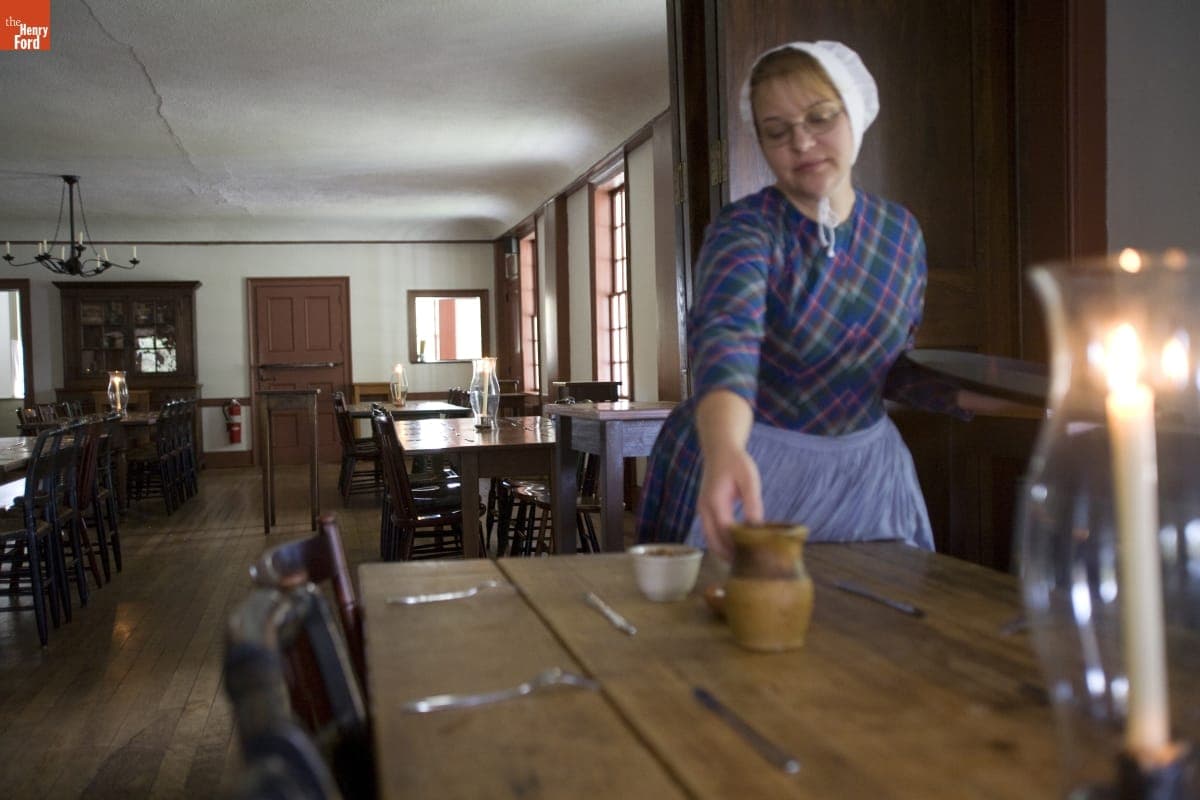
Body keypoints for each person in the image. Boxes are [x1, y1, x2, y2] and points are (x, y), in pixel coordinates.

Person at [636, 40, 967, 562]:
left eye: (821, 117)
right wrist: (724, 454)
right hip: (753, 467)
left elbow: (885, 369)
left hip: (868, 478)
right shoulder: (745, 229)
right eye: (777, 131)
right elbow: (728, 346)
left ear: (854, 113)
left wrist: (992, 393)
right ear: (763, 144)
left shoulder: (900, 232)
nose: (803, 142)